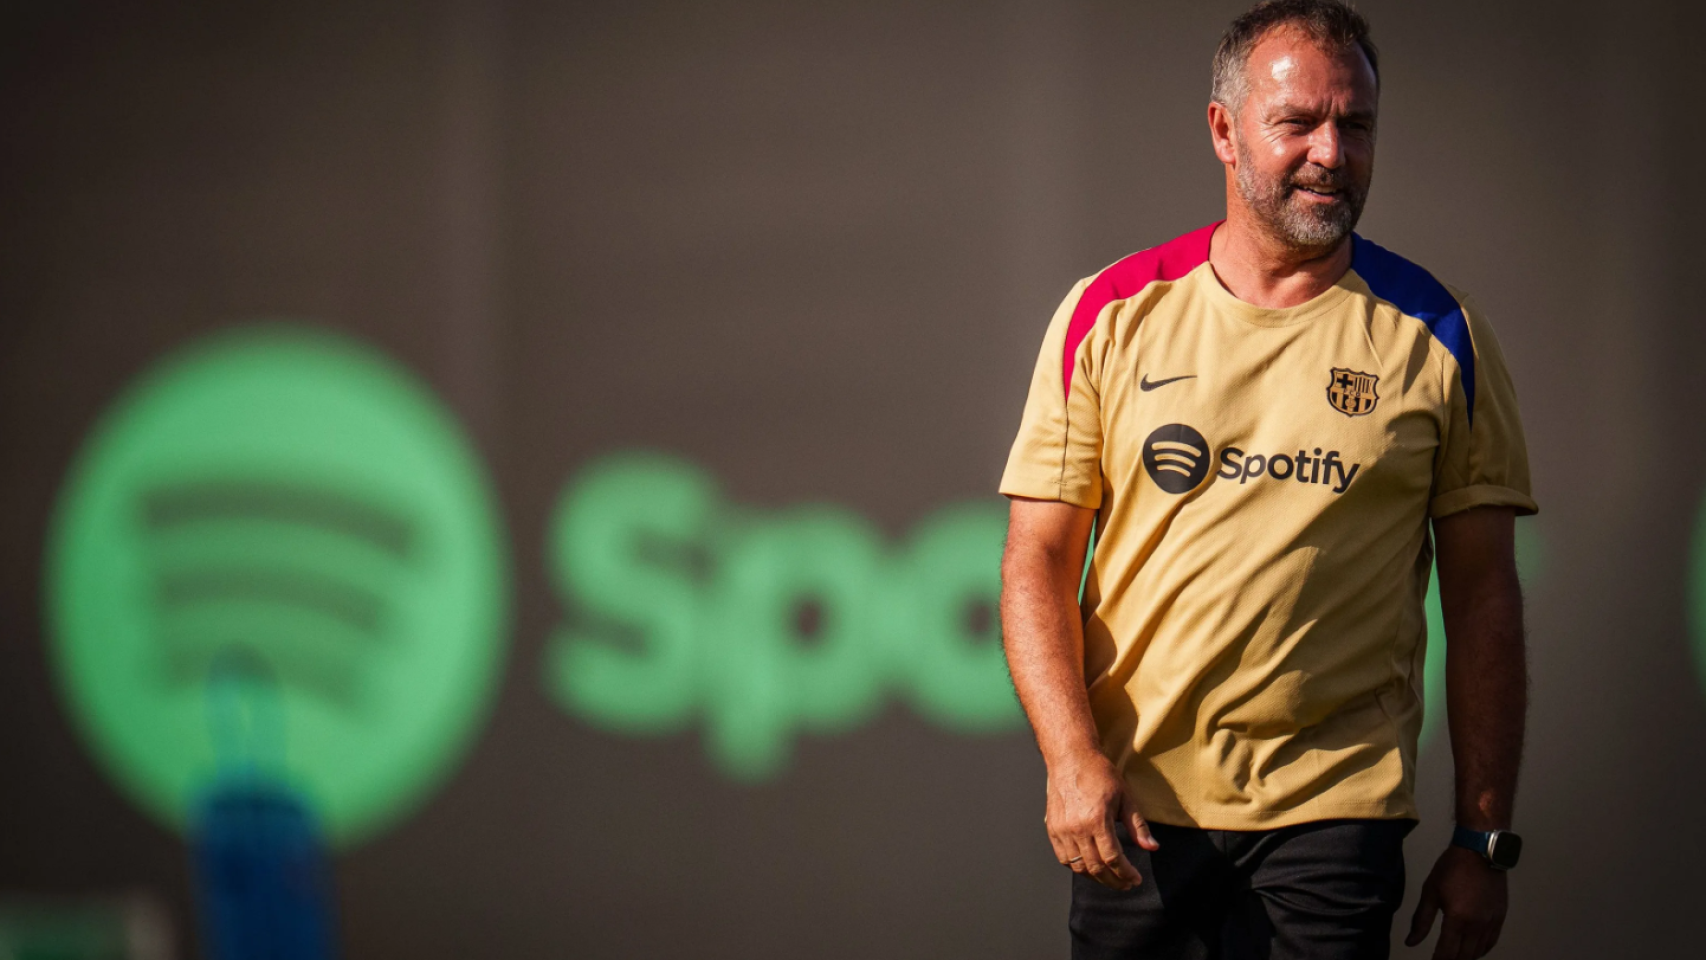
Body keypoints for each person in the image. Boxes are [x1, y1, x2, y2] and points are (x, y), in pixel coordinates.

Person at [996, 1, 1536, 958]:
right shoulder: (1110, 312)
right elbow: (1037, 559)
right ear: (1223, 129)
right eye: (1299, 122)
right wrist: (1070, 759)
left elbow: (1485, 595)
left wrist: (1481, 838)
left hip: (1336, 816)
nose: (1331, 152)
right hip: (1139, 817)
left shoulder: (1440, 333)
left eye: (1356, 125)